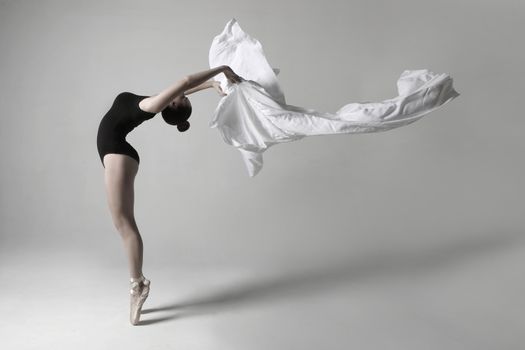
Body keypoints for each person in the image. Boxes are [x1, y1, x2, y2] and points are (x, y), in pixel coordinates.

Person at [96, 65, 243, 325]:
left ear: (172, 105)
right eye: (183, 95)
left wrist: (221, 69)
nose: (182, 93)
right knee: (122, 223)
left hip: (118, 154)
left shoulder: (151, 107)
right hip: (116, 153)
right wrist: (208, 86)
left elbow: (185, 81)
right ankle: (137, 282)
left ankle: (137, 284)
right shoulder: (153, 102)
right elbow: (183, 88)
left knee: (124, 224)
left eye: (182, 97)